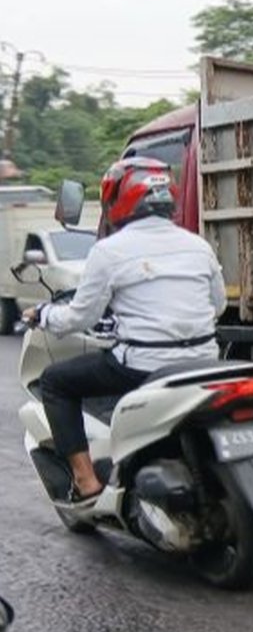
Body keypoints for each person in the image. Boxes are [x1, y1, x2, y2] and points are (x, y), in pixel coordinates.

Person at [24, 157, 226, 503]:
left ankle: (86, 483)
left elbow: (79, 319)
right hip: (203, 360)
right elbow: (218, 305)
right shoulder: (198, 244)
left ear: (118, 198)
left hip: (143, 365)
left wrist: (43, 315)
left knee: (56, 382)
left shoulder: (108, 251)